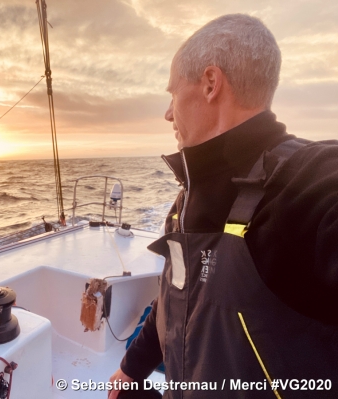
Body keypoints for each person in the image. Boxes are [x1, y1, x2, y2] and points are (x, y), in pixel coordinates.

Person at [108, 14, 338, 399]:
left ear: (211, 84)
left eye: (172, 92)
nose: (168, 113)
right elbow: (174, 294)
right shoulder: (186, 199)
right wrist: (132, 367)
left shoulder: (308, 185)